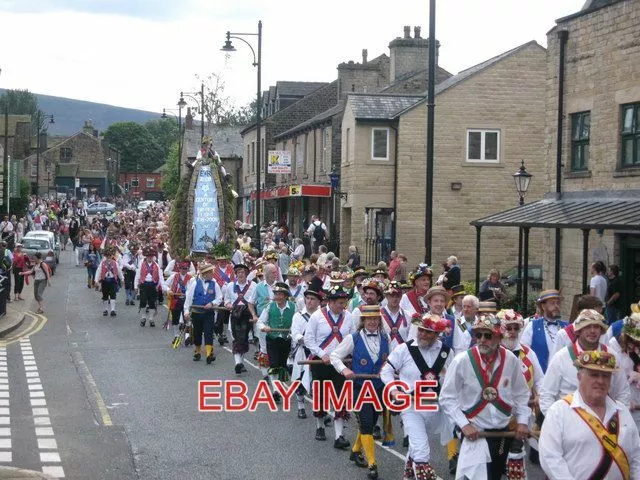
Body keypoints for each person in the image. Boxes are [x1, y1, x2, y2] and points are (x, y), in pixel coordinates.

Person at [440, 313, 531, 480]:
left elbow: (521, 393)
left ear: (498, 337)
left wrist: (523, 421)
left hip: (503, 434)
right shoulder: (462, 360)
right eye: (478, 335)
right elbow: (446, 397)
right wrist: (464, 424)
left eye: (487, 335)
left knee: (495, 476)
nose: (482, 339)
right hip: (476, 433)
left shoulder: (510, 359)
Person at [539, 350, 640, 479]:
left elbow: (636, 456)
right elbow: (550, 458)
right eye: (594, 374)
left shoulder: (622, 411)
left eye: (605, 376)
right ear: (579, 377)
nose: (600, 381)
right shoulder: (559, 411)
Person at [381, 313, 453, 480]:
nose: (422, 334)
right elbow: (386, 371)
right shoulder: (404, 349)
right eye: (420, 330)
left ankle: (407, 475)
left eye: (427, 332)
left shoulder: (446, 352)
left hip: (434, 407)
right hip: (410, 407)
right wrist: (394, 390)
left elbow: (453, 379)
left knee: (416, 444)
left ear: (436, 334)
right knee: (421, 451)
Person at [331, 305, 391, 480]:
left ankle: (356, 451)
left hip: (379, 388)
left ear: (379, 321)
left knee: (370, 423)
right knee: (366, 424)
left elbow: (395, 360)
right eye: (368, 319)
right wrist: (344, 370)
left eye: (375, 319)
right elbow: (334, 356)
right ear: (363, 321)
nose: (372, 322)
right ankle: (373, 464)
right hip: (360, 389)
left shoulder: (386, 338)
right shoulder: (353, 338)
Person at [539, 309, 630, 416]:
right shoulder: (561, 357)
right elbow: (546, 394)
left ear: (601, 331)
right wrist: (557, 422)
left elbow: (623, 393)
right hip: (569, 423)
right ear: (578, 331)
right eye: (587, 326)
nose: (592, 331)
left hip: (604, 426)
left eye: (596, 326)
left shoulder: (612, 356)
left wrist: (617, 419)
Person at [304, 283, 354, 446]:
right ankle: (320, 427)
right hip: (321, 363)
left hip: (341, 364)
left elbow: (353, 338)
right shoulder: (317, 316)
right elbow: (308, 340)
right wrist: (321, 354)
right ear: (330, 302)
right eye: (340, 302)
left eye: (344, 302)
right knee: (322, 397)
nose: (343, 306)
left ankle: (339, 436)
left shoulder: (348, 316)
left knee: (340, 397)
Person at [290, 277, 323, 418]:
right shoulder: (298, 316)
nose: (309, 301)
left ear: (318, 302)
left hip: (317, 353)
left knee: (317, 382)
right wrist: (304, 339)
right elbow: (295, 333)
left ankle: (321, 411)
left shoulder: (323, 316)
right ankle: (301, 405)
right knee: (300, 379)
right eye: (307, 298)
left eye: (313, 299)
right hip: (303, 352)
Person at [258, 282, 295, 400]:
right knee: (273, 363)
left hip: (286, 339)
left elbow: (298, 322)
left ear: (285, 295)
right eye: (276, 294)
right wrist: (264, 327)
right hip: (272, 339)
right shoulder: (270, 306)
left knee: (282, 365)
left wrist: (294, 329)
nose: (277, 297)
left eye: (280, 294)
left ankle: (279, 385)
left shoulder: (294, 307)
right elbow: (260, 321)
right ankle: (275, 390)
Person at [184, 263, 223, 364]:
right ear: (205, 274)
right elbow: (188, 299)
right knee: (197, 333)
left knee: (208, 332)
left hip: (209, 313)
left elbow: (219, 297)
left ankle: (209, 354)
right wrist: (186, 311)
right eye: (210, 272)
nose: (212, 274)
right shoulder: (195, 283)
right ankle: (197, 351)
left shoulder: (215, 283)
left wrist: (212, 303)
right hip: (197, 312)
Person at [520, 289, 568, 372]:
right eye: (552, 303)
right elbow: (523, 353)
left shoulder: (567, 326)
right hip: (540, 379)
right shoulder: (533, 326)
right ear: (543, 306)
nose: (556, 306)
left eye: (558, 303)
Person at [223, 263, 258, 374]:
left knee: (244, 339)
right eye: (238, 272)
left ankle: (240, 363)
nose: (241, 274)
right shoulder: (230, 286)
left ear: (247, 274)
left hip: (248, 316)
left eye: (243, 272)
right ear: (236, 274)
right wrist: (228, 305)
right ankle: (238, 363)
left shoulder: (253, 286)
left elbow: (256, 301)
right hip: (235, 316)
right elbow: (226, 300)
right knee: (236, 339)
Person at [163, 261, 193, 346]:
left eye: (186, 268)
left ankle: (187, 336)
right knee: (175, 320)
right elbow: (165, 285)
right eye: (182, 268)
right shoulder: (174, 276)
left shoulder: (191, 278)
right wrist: (169, 290)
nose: (184, 270)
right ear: (179, 269)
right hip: (176, 300)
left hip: (186, 301)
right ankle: (176, 336)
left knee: (187, 319)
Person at [134, 246, 162, 327]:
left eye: (151, 256)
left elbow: (160, 277)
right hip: (144, 285)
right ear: (146, 256)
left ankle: (151, 319)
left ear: (153, 257)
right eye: (148, 256)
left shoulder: (156, 265)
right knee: (143, 301)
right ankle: (143, 317)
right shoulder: (142, 264)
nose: (150, 258)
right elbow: (137, 276)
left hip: (153, 285)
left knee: (152, 302)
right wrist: (135, 286)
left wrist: (159, 286)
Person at [94, 245, 124, 317]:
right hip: (105, 281)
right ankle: (106, 309)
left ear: (111, 256)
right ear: (105, 256)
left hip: (113, 280)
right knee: (105, 295)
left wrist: (122, 279)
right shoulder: (103, 263)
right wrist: (96, 280)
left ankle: (113, 310)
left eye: (109, 256)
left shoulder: (115, 263)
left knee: (113, 295)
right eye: (107, 256)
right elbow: (98, 271)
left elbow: (119, 271)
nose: (108, 257)